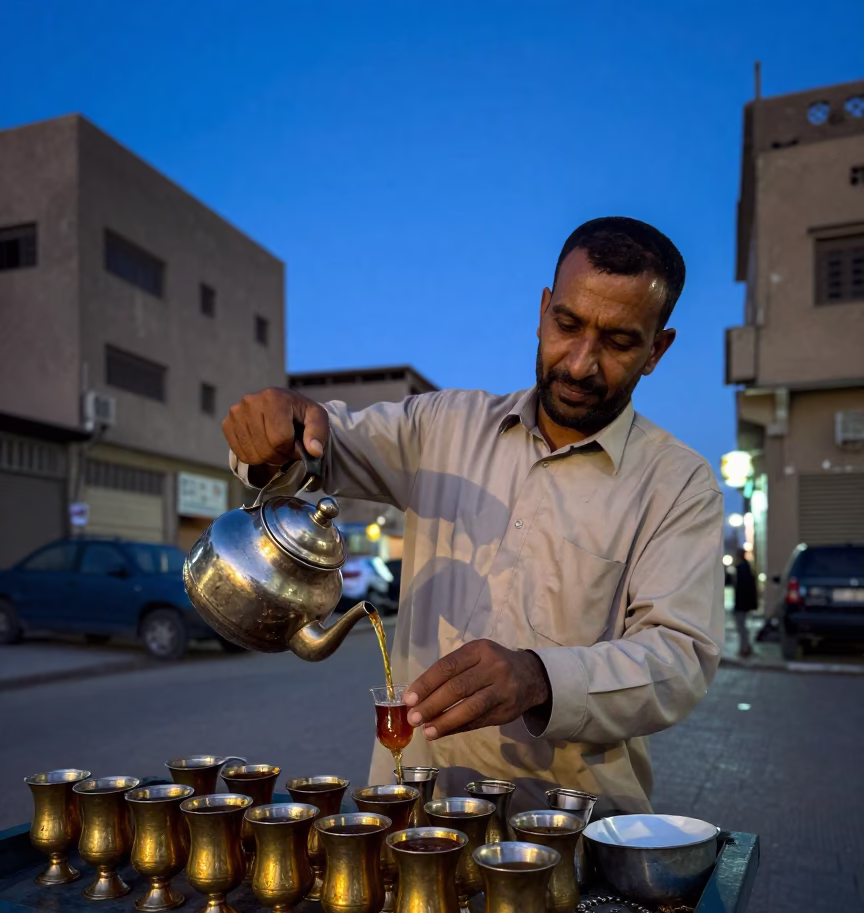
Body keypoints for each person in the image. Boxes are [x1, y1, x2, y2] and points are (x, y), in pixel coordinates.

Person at [222, 217, 724, 817]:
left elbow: (679, 659)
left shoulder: (678, 484)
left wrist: (540, 677)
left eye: (618, 342)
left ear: (657, 350)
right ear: (542, 312)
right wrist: (276, 425)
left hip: (573, 828)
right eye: (567, 325)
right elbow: (322, 441)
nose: (582, 363)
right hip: (411, 811)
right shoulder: (442, 428)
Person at [733, 548, 758, 658]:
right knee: (743, 626)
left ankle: (745, 648)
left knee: (741, 626)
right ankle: (746, 647)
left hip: (741, 604)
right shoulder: (747, 567)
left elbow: (741, 589)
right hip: (744, 603)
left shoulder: (741, 568)